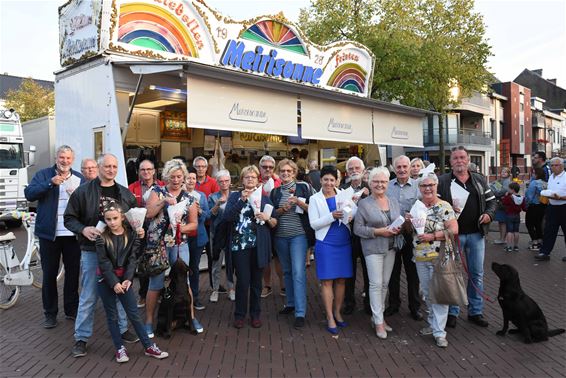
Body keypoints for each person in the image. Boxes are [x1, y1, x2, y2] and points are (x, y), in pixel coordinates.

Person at [64, 154, 139, 358]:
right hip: (91, 250)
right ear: (99, 167)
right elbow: (69, 218)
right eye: (107, 166)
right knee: (89, 294)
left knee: (120, 290)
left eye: (114, 166)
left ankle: (123, 329)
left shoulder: (124, 193)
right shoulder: (83, 191)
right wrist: (83, 229)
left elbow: (133, 221)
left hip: (118, 251)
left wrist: (138, 229)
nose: (111, 169)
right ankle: (81, 337)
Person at [96, 202, 168, 363]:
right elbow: (104, 263)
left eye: (115, 218)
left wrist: (127, 279)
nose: (112, 222)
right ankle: (119, 348)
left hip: (124, 280)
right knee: (112, 315)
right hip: (106, 280)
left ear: (122, 217)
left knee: (133, 314)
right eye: (108, 219)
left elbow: (133, 259)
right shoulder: (102, 237)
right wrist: (114, 283)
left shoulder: (131, 234)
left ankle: (148, 346)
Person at [24, 145, 85, 329]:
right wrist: (50, 183)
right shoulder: (44, 174)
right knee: (49, 275)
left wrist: (77, 198)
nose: (64, 161)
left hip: (71, 234)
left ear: (72, 160)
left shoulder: (79, 179)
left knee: (73, 275)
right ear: (56, 158)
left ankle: (71, 310)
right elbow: (29, 194)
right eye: (61, 157)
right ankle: (50, 314)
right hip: (49, 235)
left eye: (68, 158)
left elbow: (86, 205)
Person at [437, 146, 496, 328]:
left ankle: (475, 311)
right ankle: (453, 312)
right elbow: (434, 205)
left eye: (462, 157)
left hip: (477, 235)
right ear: (450, 162)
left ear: (468, 159)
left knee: (476, 274)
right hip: (453, 236)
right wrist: (445, 212)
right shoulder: (443, 181)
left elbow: (492, 202)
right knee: (453, 275)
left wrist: (488, 215)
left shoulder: (479, 180)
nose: (459, 161)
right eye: (455, 158)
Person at [144, 159, 202, 336]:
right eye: (172, 176)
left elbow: (194, 225)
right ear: (166, 176)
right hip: (158, 246)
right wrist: (163, 202)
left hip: (179, 244)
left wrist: (179, 228)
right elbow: (148, 214)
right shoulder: (157, 191)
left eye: (179, 176)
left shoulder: (189, 198)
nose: (176, 180)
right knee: (156, 283)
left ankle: (191, 317)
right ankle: (148, 321)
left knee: (184, 282)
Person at [223, 165, 277, 328]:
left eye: (253, 177)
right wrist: (242, 201)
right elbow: (227, 217)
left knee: (256, 282)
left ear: (257, 179)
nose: (250, 179)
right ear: (242, 180)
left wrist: (267, 218)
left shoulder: (265, 197)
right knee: (243, 281)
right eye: (247, 177)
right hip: (240, 246)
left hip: (258, 245)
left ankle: (255, 314)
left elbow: (274, 223)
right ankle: (239, 315)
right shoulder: (234, 197)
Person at [354, 167, 402, 339]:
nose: (379, 184)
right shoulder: (364, 203)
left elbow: (398, 221)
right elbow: (358, 228)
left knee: (384, 284)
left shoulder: (394, 201)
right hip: (372, 248)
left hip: (391, 248)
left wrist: (402, 225)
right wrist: (379, 232)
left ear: (388, 183)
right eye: (376, 181)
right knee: (375, 285)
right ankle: (379, 322)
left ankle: (377, 317)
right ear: (370, 183)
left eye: (383, 181)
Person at [413, 172, 458, 348]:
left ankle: (440, 332)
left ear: (436, 186)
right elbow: (412, 230)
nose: (428, 188)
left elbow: (454, 229)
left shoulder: (444, 206)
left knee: (439, 294)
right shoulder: (416, 206)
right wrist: (409, 222)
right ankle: (433, 325)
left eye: (431, 185)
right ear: (420, 188)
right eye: (424, 186)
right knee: (427, 293)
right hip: (420, 256)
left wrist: (432, 235)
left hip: (440, 257)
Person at [308, 165, 353, 335]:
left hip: (343, 241)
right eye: (325, 179)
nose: (328, 182)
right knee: (327, 281)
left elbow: (351, 215)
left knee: (341, 280)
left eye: (332, 179)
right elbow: (313, 224)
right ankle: (329, 316)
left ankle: (337, 312)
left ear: (337, 181)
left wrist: (351, 212)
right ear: (320, 180)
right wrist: (331, 216)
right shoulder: (314, 199)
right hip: (326, 243)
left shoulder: (343, 195)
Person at [270, 159, 312, 329]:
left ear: (294, 173)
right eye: (282, 171)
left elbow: (314, 208)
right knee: (286, 271)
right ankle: (291, 303)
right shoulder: (275, 192)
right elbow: (271, 214)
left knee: (298, 272)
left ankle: (300, 313)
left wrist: (300, 202)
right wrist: (283, 209)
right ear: (279, 173)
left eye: (289, 171)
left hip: (298, 236)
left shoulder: (304, 188)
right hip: (280, 236)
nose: (285, 174)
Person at [385, 155, 423, 321]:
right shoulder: (387, 186)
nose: (401, 170)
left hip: (411, 235)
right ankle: (393, 304)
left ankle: (415, 307)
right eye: (398, 167)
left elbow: (423, 209)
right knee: (393, 272)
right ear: (394, 168)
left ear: (410, 168)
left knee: (412, 273)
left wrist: (413, 217)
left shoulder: (418, 186)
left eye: (404, 167)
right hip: (393, 234)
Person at [128, 160, 164, 308]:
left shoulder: (162, 186)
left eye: (149, 169)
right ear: (138, 171)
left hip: (159, 231)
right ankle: (143, 294)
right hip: (140, 232)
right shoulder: (132, 188)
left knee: (158, 264)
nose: (146, 172)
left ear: (154, 171)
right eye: (143, 170)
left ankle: (159, 293)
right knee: (142, 264)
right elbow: (128, 209)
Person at [340, 156, 370, 315]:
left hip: (366, 235)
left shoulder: (370, 187)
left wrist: (365, 195)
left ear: (363, 170)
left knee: (368, 269)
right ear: (346, 172)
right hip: (348, 235)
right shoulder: (342, 189)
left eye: (357, 168)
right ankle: (349, 301)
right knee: (349, 270)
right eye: (351, 169)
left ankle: (368, 302)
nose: (354, 171)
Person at [258, 155, 284, 298]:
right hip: (262, 225)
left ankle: (283, 285)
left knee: (279, 256)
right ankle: (267, 285)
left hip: (278, 223)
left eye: (270, 167)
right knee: (265, 257)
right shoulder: (255, 181)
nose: (267, 169)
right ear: (260, 167)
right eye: (264, 167)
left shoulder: (279, 182)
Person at [208, 170, 236, 303]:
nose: (224, 183)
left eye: (226, 180)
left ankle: (231, 289)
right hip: (217, 233)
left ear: (230, 181)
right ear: (217, 183)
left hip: (232, 233)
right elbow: (209, 215)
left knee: (231, 263)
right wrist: (217, 204)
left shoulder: (236, 196)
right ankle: (215, 290)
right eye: (221, 181)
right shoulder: (213, 197)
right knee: (216, 262)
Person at [186, 166, 211, 310]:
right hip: (182, 236)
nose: (191, 180)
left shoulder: (201, 195)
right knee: (181, 267)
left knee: (194, 267)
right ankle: (181, 295)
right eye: (188, 178)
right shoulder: (179, 195)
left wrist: (199, 210)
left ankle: (194, 297)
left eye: (194, 178)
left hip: (198, 236)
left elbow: (208, 216)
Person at [535, 157, 566, 261]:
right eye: (552, 165)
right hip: (552, 207)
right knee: (549, 231)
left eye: (556, 165)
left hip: (564, 206)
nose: (553, 167)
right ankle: (544, 252)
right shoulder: (551, 177)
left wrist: (560, 197)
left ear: (562, 166)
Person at [525, 167, 547, 251]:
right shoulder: (545, 183)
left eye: (533, 173)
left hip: (533, 206)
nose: (532, 174)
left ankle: (534, 243)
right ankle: (540, 241)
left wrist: (526, 205)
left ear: (537, 174)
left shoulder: (534, 183)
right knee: (538, 224)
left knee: (529, 224)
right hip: (542, 206)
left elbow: (529, 196)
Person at [501, 182, 526, 252]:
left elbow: (504, 202)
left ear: (512, 190)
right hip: (517, 216)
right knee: (516, 231)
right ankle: (516, 246)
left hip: (509, 215)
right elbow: (524, 208)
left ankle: (509, 247)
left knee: (509, 231)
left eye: (509, 189)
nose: (508, 190)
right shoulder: (522, 198)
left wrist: (506, 196)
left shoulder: (509, 197)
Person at [490, 167, 512, 245]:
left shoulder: (506, 182)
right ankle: (502, 238)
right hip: (500, 203)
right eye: (502, 171)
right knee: (501, 221)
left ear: (508, 174)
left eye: (505, 172)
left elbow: (501, 192)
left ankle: (502, 239)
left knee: (502, 222)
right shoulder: (500, 181)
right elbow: (491, 185)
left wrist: (493, 190)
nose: (503, 173)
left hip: (502, 204)